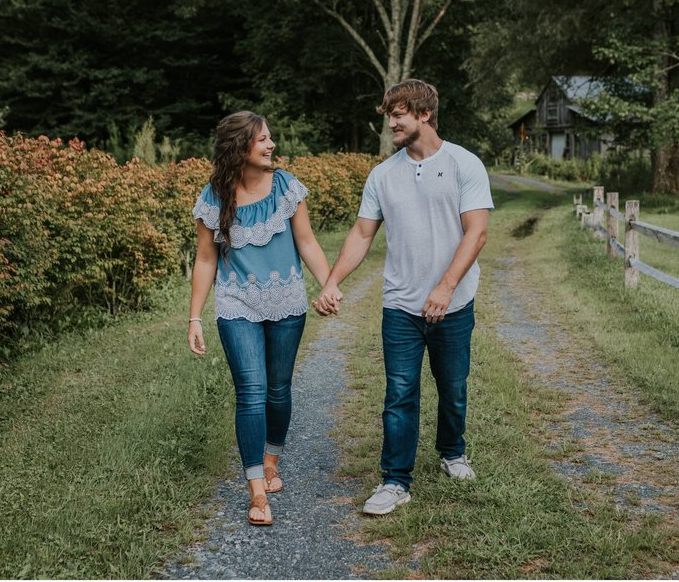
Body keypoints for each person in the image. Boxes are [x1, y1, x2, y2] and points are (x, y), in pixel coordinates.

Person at [314, 79, 493, 516]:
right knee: (399, 392)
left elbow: (478, 231)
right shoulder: (382, 175)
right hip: (400, 306)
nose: (390, 122)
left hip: (453, 303)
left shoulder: (463, 165)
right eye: (389, 114)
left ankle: (453, 452)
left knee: (452, 388)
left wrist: (446, 286)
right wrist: (333, 280)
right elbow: (361, 233)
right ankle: (395, 481)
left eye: (398, 114)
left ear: (424, 114)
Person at [188, 111, 331, 526]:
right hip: (237, 305)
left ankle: (272, 460)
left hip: (286, 300)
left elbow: (306, 241)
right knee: (251, 391)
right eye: (262, 140)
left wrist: (328, 283)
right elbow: (204, 259)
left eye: (270, 138)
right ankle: (255, 491)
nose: (271, 145)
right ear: (240, 148)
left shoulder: (287, 186)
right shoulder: (214, 196)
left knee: (278, 390)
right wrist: (194, 318)